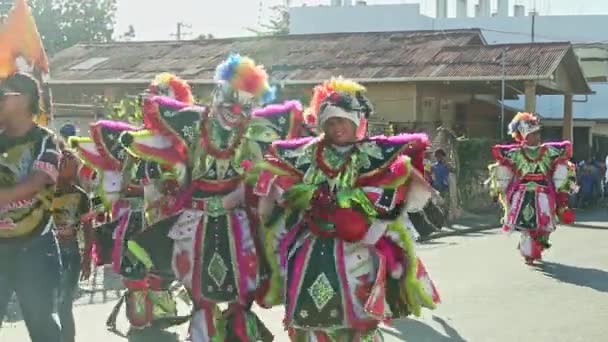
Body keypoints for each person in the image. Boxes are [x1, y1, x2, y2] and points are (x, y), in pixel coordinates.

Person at [121, 54, 309, 341]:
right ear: (217, 97)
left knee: (244, 286)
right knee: (199, 292)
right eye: (229, 103)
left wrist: (250, 192)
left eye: (243, 106)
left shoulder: (255, 131)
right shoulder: (193, 123)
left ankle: (241, 326)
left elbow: (264, 174)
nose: (234, 111)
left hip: (239, 221)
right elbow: (162, 153)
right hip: (194, 219)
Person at [249, 78, 440, 341]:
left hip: (360, 243)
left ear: (357, 121)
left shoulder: (377, 152)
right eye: (331, 122)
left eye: (342, 121)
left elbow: (406, 193)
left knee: (359, 320)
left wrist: (367, 217)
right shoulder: (306, 153)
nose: (337, 128)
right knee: (310, 319)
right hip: (312, 243)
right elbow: (280, 190)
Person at [0, 72, 61, 342]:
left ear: (24, 100)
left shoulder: (46, 141)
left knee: (41, 323)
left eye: (4, 95)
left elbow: (34, 184)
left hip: (36, 248)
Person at [488, 112, 576, 265]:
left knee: (545, 225)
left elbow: (563, 162)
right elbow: (503, 170)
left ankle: (536, 246)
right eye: (533, 134)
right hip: (522, 194)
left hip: (544, 193)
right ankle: (528, 251)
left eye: (538, 133)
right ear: (524, 136)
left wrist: (562, 195)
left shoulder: (549, 151)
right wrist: (498, 190)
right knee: (526, 226)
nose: (537, 137)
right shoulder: (514, 153)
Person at [52, 143, 94, 342]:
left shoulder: (81, 196)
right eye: (62, 161)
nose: (65, 166)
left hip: (69, 254)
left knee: (63, 303)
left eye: (70, 162)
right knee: (44, 304)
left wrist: (87, 258)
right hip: (46, 252)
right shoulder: (43, 193)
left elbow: (88, 228)